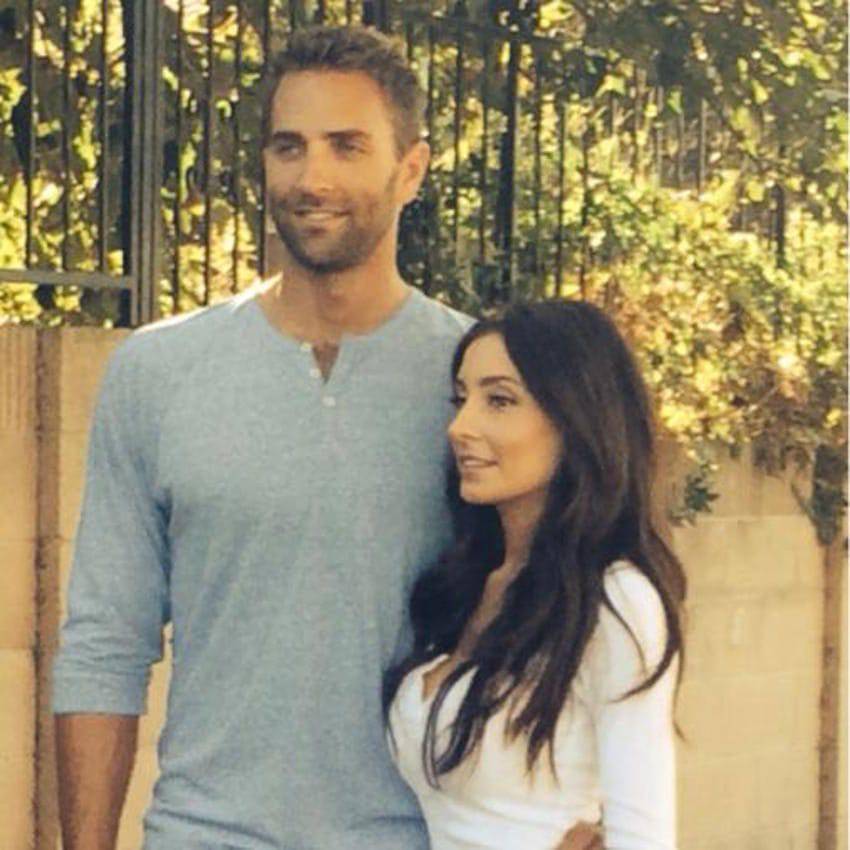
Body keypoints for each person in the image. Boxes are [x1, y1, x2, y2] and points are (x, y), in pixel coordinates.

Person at [51, 25, 601, 850]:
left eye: (347, 146)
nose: (313, 178)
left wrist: (597, 810)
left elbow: (578, 593)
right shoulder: (157, 372)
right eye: (289, 147)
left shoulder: (480, 386)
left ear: (410, 169)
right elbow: (104, 645)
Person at [385, 301, 687, 849]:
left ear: (575, 420)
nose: (460, 427)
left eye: (499, 400)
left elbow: (643, 834)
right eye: (460, 399)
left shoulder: (615, 598)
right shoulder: (466, 583)